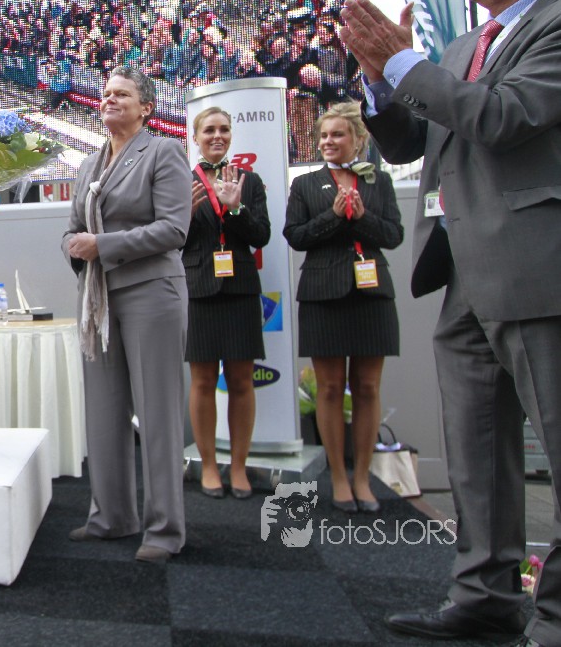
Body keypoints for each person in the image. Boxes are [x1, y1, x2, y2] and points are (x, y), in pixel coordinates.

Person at [341, 0, 561, 644]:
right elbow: (417, 140)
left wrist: (405, 63)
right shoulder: (468, 46)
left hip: (537, 274)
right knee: (475, 451)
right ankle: (484, 597)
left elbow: (500, 117)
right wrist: (379, 80)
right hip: (462, 273)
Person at [61, 65, 190, 563]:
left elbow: (174, 229)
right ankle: (111, 517)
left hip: (151, 293)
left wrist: (103, 245)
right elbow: (73, 229)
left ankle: (164, 530)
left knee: (157, 416)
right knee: (103, 412)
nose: (109, 99)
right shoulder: (88, 164)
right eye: (106, 93)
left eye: (122, 94)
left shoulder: (163, 151)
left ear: (146, 107)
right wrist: (74, 246)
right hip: (99, 299)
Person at [282, 103, 402, 513]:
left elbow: (394, 235)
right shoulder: (305, 185)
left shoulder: (378, 181)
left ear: (358, 138)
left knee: (367, 388)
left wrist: (363, 217)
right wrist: (333, 217)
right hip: (323, 294)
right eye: (322, 136)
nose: (327, 142)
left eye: (336, 134)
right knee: (330, 388)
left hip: (372, 294)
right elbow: (296, 236)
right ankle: (337, 477)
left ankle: (363, 478)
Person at [183, 107, 271, 500]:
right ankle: (208, 465)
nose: (217, 136)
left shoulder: (250, 181)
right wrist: (184, 216)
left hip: (240, 289)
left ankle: (237, 467)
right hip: (199, 289)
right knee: (202, 381)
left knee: (241, 381)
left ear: (231, 135)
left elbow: (261, 236)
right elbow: (170, 241)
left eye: (224, 129)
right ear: (196, 137)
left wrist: (236, 209)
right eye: (209, 130)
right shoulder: (181, 182)